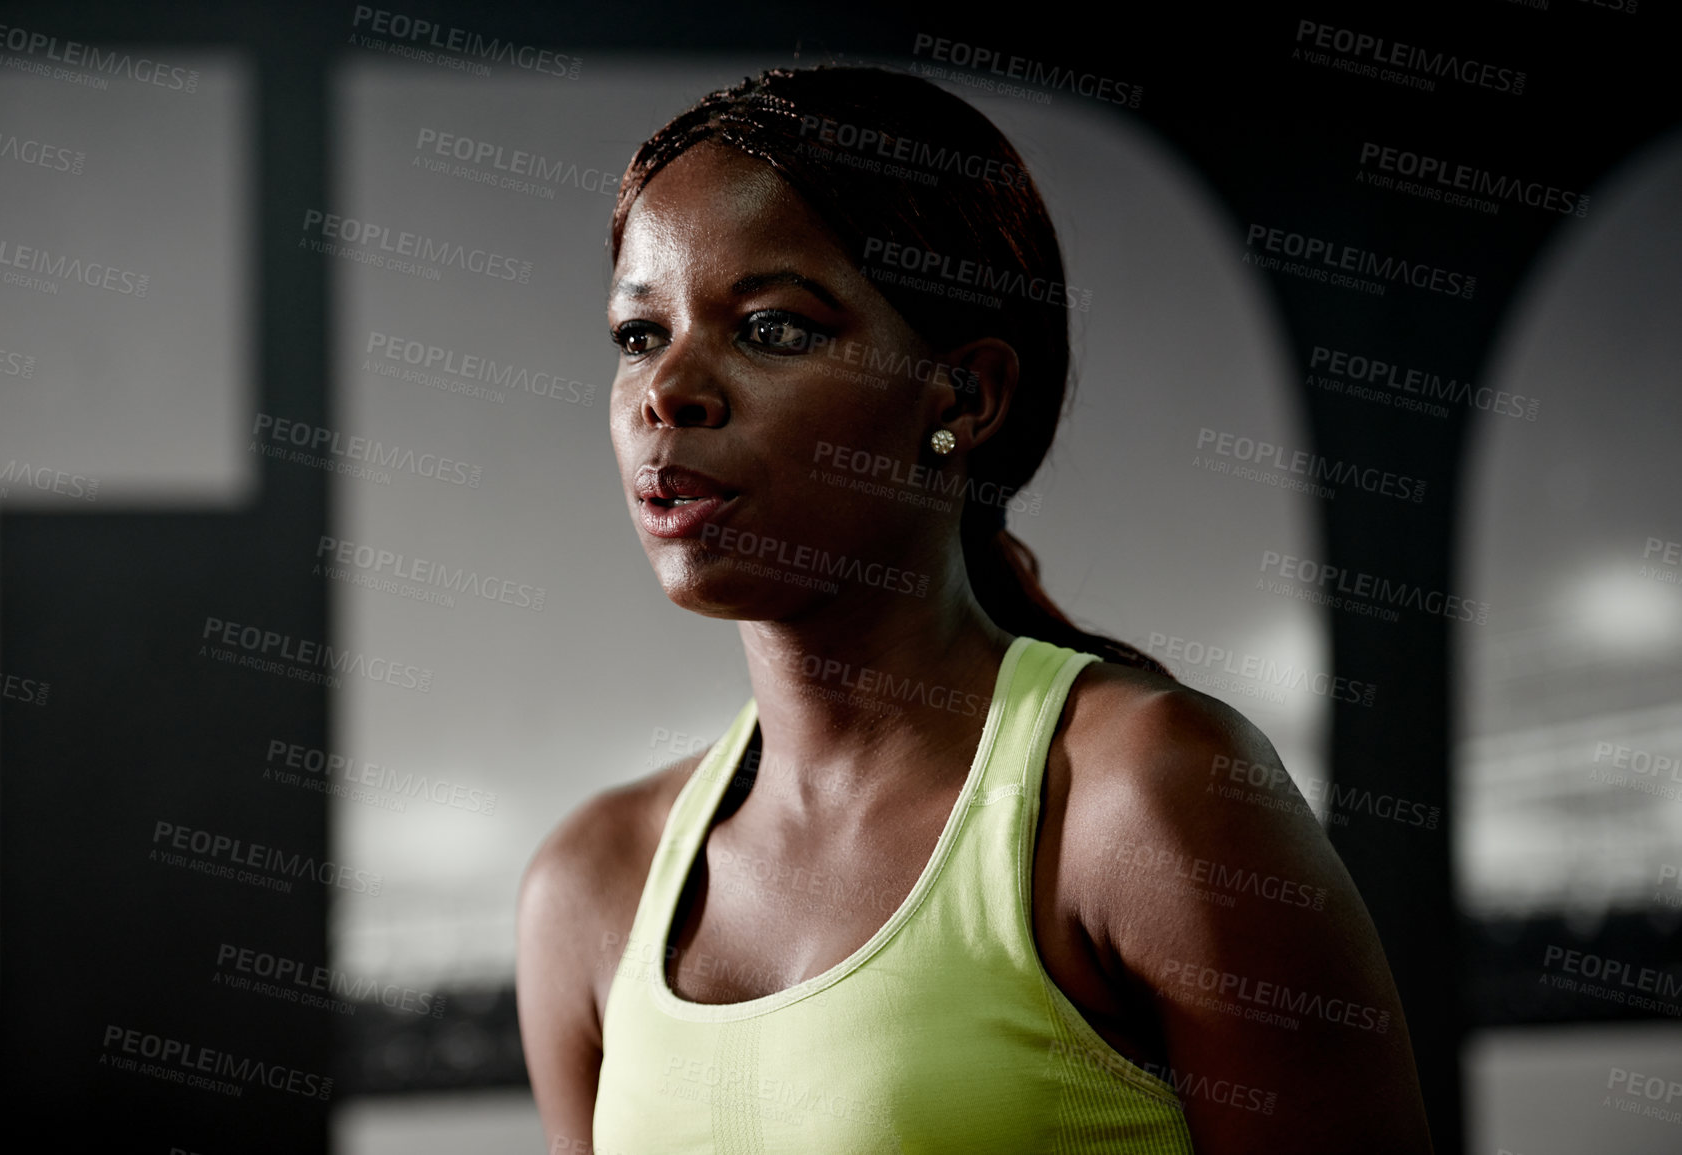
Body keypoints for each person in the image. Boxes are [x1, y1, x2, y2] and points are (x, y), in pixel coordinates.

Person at [516, 65, 1432, 1153]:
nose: (670, 389)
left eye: (770, 327)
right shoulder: (591, 885)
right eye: (639, 334)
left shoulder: (1143, 798)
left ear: (965, 396)